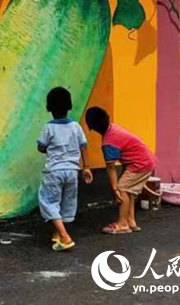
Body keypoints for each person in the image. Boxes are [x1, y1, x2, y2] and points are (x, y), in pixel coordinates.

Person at [84, 106, 157, 235]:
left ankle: (123, 224)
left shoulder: (108, 142)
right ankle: (131, 221)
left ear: (93, 128)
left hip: (140, 163)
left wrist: (115, 189)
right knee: (129, 192)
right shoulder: (114, 129)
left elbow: (111, 167)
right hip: (146, 161)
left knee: (123, 188)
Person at [37, 87, 93, 251]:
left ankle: (65, 237)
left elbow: (41, 147)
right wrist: (87, 167)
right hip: (72, 171)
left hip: (54, 171)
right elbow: (84, 147)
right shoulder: (76, 126)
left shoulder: (49, 128)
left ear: (48, 108)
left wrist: (51, 149)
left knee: (48, 201)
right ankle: (57, 234)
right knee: (65, 202)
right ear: (69, 106)